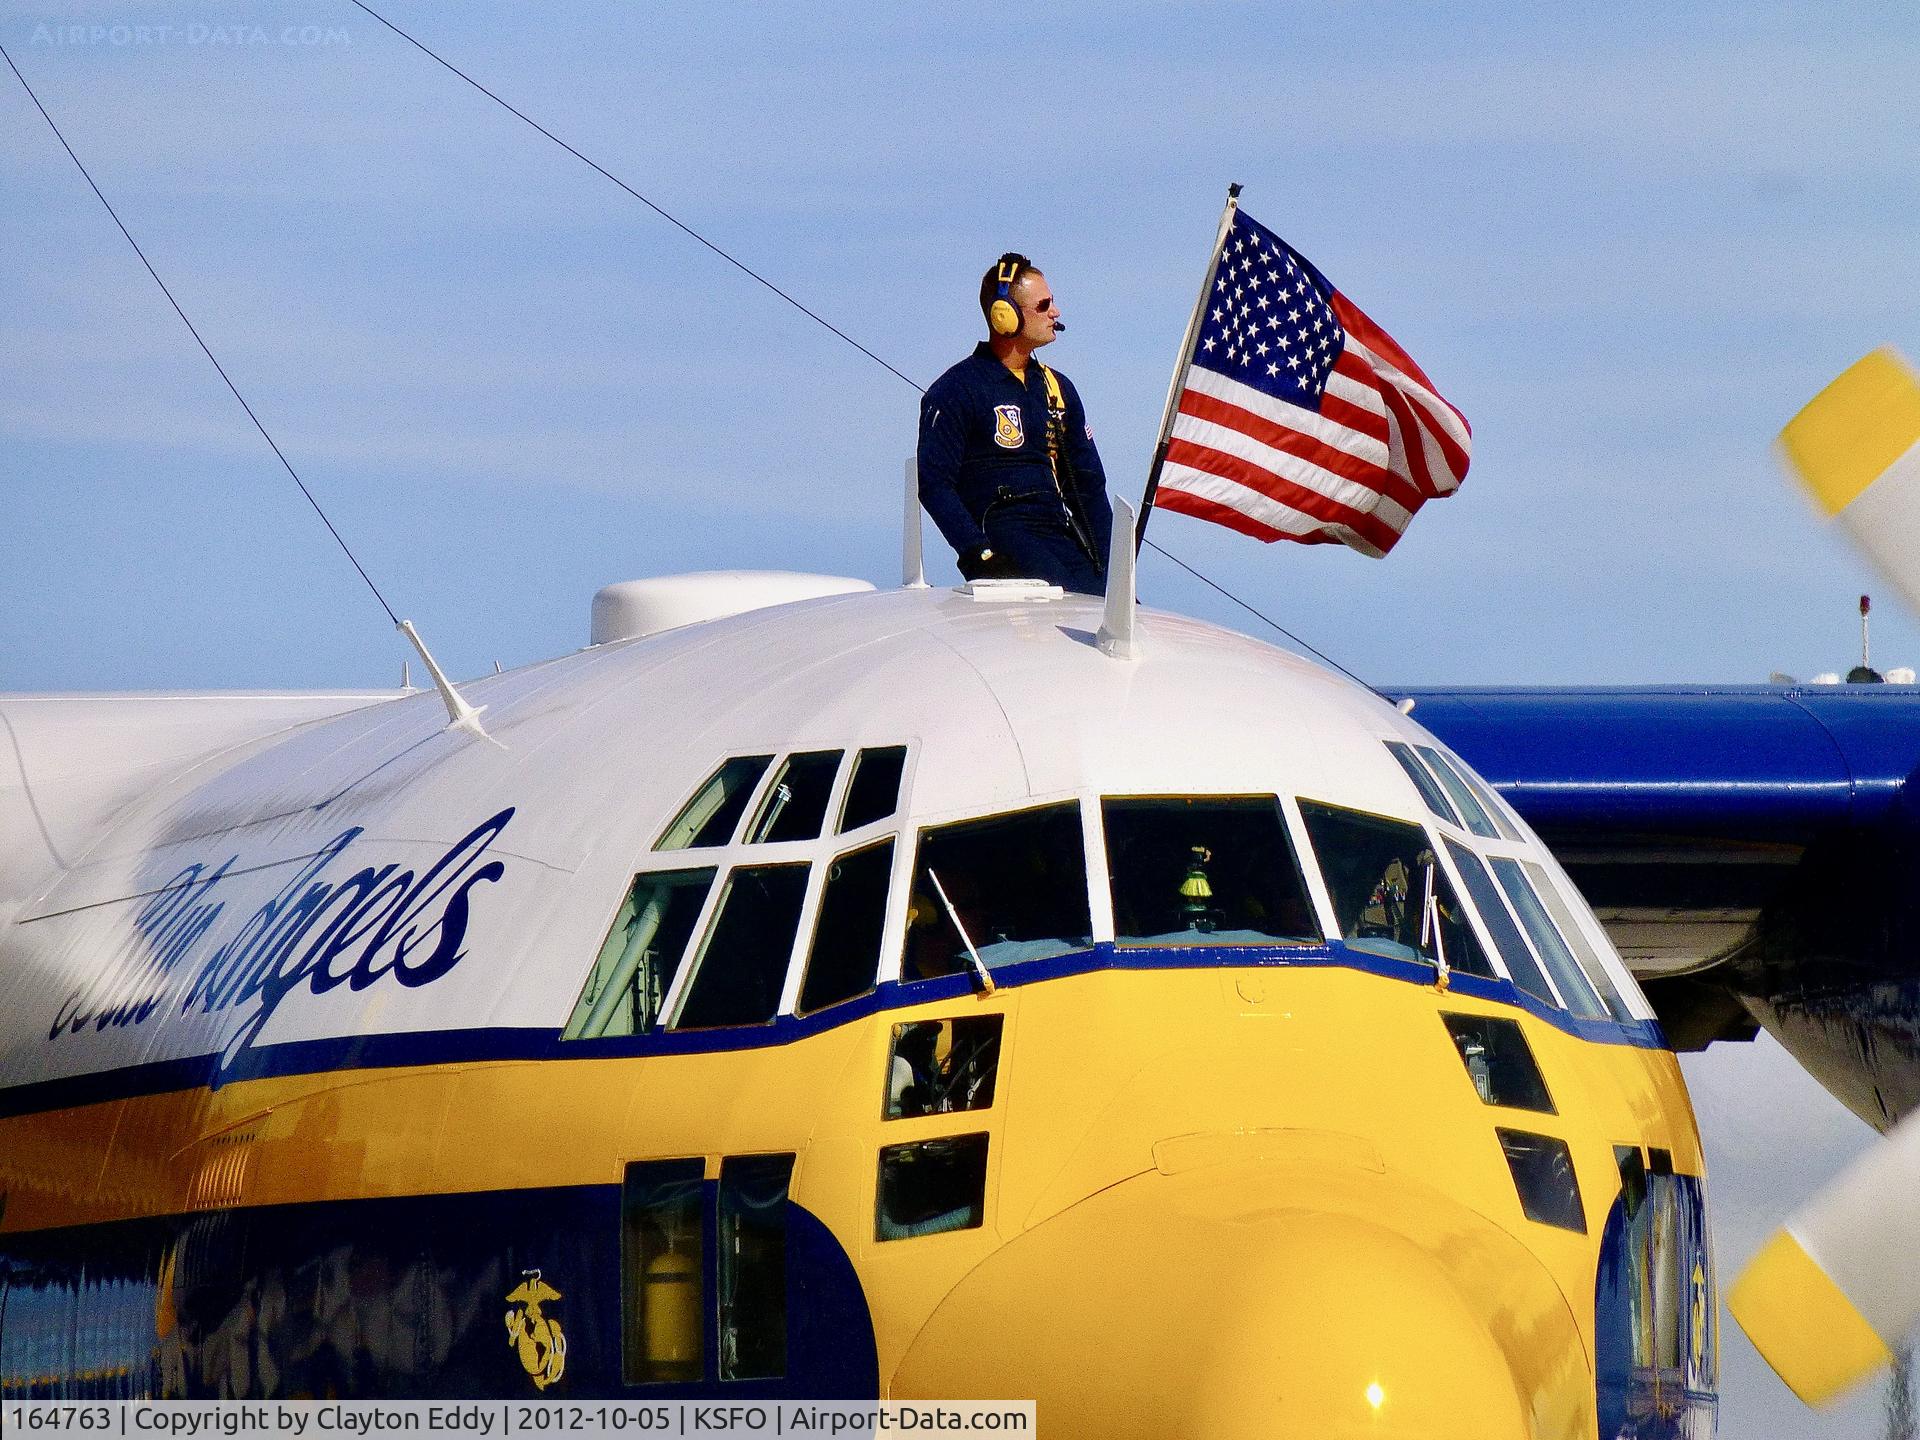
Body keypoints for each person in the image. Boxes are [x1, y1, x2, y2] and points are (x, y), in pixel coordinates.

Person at [917, 253, 1114, 594]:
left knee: (1114, 610)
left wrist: (1116, 570)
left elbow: (1088, 486)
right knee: (1063, 601)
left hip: (1058, 531)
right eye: (1044, 305)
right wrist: (978, 553)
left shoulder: (1058, 389)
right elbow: (935, 483)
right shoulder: (956, 389)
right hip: (1004, 532)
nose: (1056, 312)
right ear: (1004, 316)